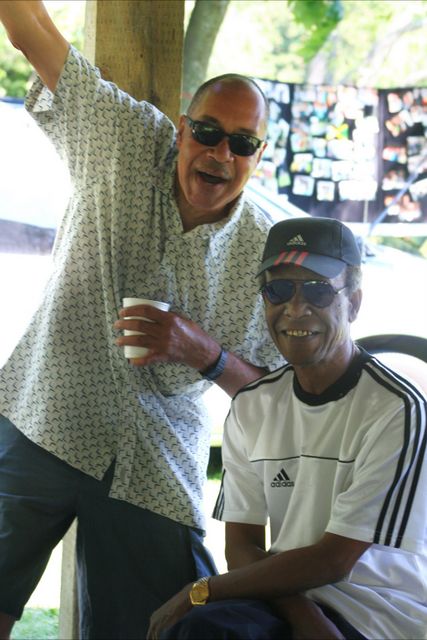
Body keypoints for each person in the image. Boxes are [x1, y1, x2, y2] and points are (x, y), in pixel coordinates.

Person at [0, 3, 286, 639]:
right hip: (48, 412)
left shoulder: (262, 253)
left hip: (154, 460)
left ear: (258, 156)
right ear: (182, 129)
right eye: (207, 132)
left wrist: (202, 351)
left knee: (162, 625)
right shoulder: (125, 137)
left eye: (242, 143)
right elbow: (30, 34)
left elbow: (275, 396)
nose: (220, 153)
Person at [148, 217, 427, 640]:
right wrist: (304, 616)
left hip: (379, 613)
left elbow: (335, 560)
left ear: (353, 303)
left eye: (317, 290)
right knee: (200, 630)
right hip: (286, 598)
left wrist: (202, 590)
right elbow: (241, 546)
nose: (296, 308)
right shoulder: (253, 404)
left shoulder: (396, 409)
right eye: (278, 290)